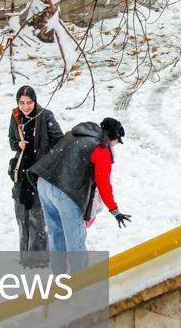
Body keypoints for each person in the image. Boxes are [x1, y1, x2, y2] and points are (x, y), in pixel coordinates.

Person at [29, 117, 132, 274]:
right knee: (75, 240)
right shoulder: (101, 148)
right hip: (64, 191)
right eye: (117, 142)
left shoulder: (76, 133)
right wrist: (114, 210)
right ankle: (79, 283)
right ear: (113, 138)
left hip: (44, 183)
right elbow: (103, 183)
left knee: (57, 234)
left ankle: (59, 278)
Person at [8, 86, 63, 267]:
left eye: (29, 102)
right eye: (22, 103)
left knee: (38, 217)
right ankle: (25, 257)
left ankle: (39, 260)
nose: (25, 107)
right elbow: (11, 140)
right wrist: (18, 144)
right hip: (21, 173)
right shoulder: (15, 116)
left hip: (39, 174)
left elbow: (59, 141)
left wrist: (47, 161)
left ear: (35, 101)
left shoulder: (45, 116)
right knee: (22, 215)